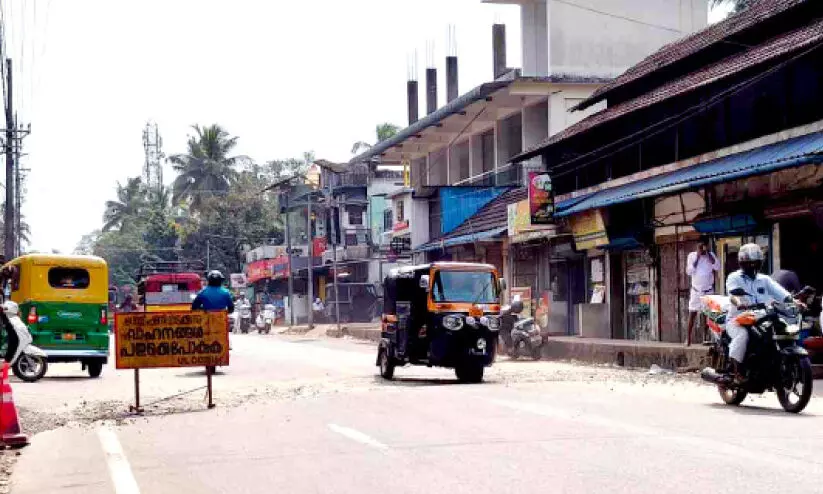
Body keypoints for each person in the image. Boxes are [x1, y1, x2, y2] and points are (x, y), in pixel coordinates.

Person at [725, 244, 795, 383]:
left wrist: (795, 301)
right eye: (751, 263)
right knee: (743, 335)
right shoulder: (734, 277)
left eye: (756, 263)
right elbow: (733, 294)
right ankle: (737, 369)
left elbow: (780, 292)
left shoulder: (764, 279)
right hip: (738, 319)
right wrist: (739, 302)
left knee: (779, 328)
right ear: (743, 263)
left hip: (762, 317)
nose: (754, 266)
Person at [685, 238, 720, 345]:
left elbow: (717, 267)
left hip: (708, 290)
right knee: (692, 313)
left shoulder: (711, 255)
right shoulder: (692, 256)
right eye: (700, 246)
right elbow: (689, 271)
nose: (702, 248)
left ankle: (705, 337)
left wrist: (708, 254)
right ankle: (688, 338)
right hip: (696, 290)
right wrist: (698, 257)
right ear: (697, 246)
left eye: (704, 246)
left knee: (708, 314)